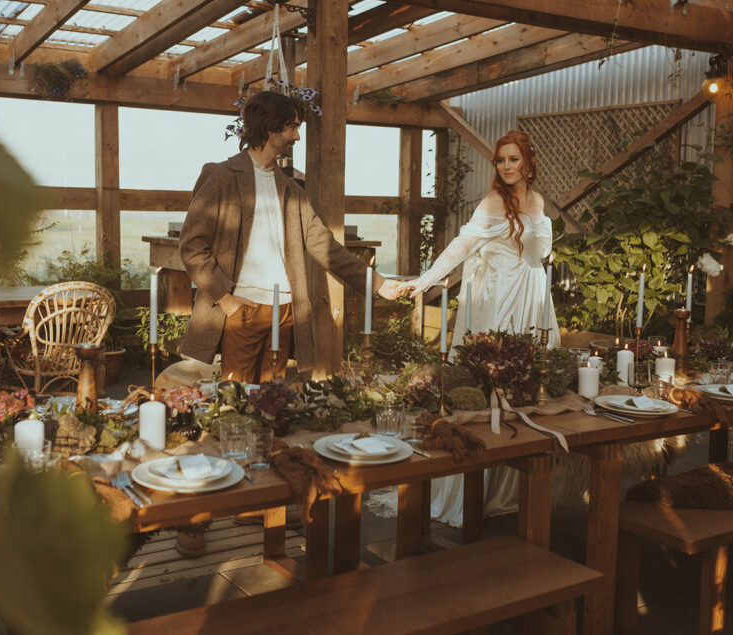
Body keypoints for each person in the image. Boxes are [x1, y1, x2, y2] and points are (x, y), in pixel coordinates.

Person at [179, 90, 400, 383]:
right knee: (235, 402)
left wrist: (377, 284)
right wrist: (225, 298)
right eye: (293, 127)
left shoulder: (292, 190)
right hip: (241, 309)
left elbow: (324, 245)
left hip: (285, 312)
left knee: (273, 403)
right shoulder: (221, 176)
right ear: (271, 127)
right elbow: (192, 246)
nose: (297, 136)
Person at [398, 128, 560, 527]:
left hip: (533, 301)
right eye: (500, 160)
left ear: (528, 162)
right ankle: (472, 489)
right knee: (490, 386)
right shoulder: (492, 203)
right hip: (500, 301)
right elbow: (462, 245)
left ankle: (518, 489)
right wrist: (425, 280)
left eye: (513, 159)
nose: (506, 167)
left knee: (528, 387)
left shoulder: (537, 200)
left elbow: (539, 254)